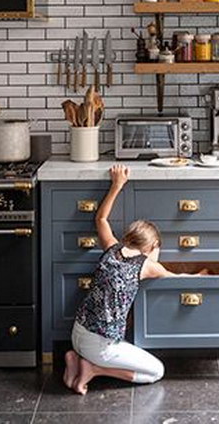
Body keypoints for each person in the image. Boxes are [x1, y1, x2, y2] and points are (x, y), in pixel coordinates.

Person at [64, 163, 201, 395]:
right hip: (100, 346)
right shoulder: (146, 265)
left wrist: (117, 185)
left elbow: (101, 219)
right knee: (156, 371)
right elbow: (177, 278)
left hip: (78, 332)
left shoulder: (111, 248)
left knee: (103, 347)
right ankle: (92, 369)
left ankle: (74, 360)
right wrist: (202, 276)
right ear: (153, 246)